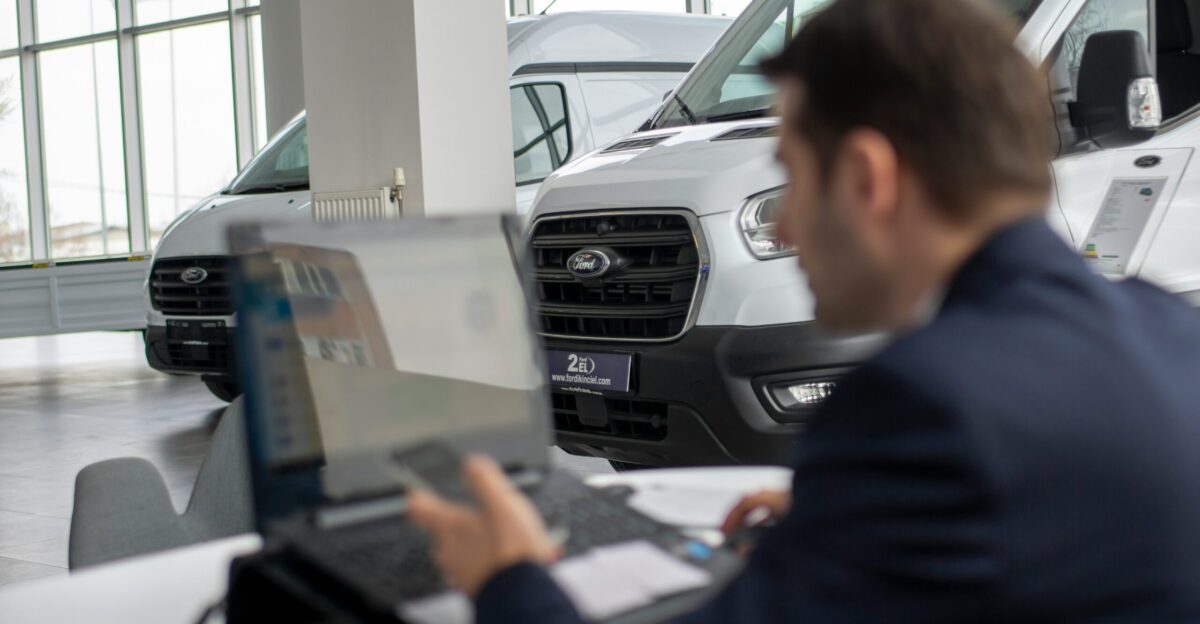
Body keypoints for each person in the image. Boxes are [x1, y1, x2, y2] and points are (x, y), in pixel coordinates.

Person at [409, 0, 1200, 620]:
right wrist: (862, 514)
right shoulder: (1174, 337)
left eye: (791, 177)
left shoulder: (921, 406)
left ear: (866, 177)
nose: (784, 224)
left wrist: (507, 577)